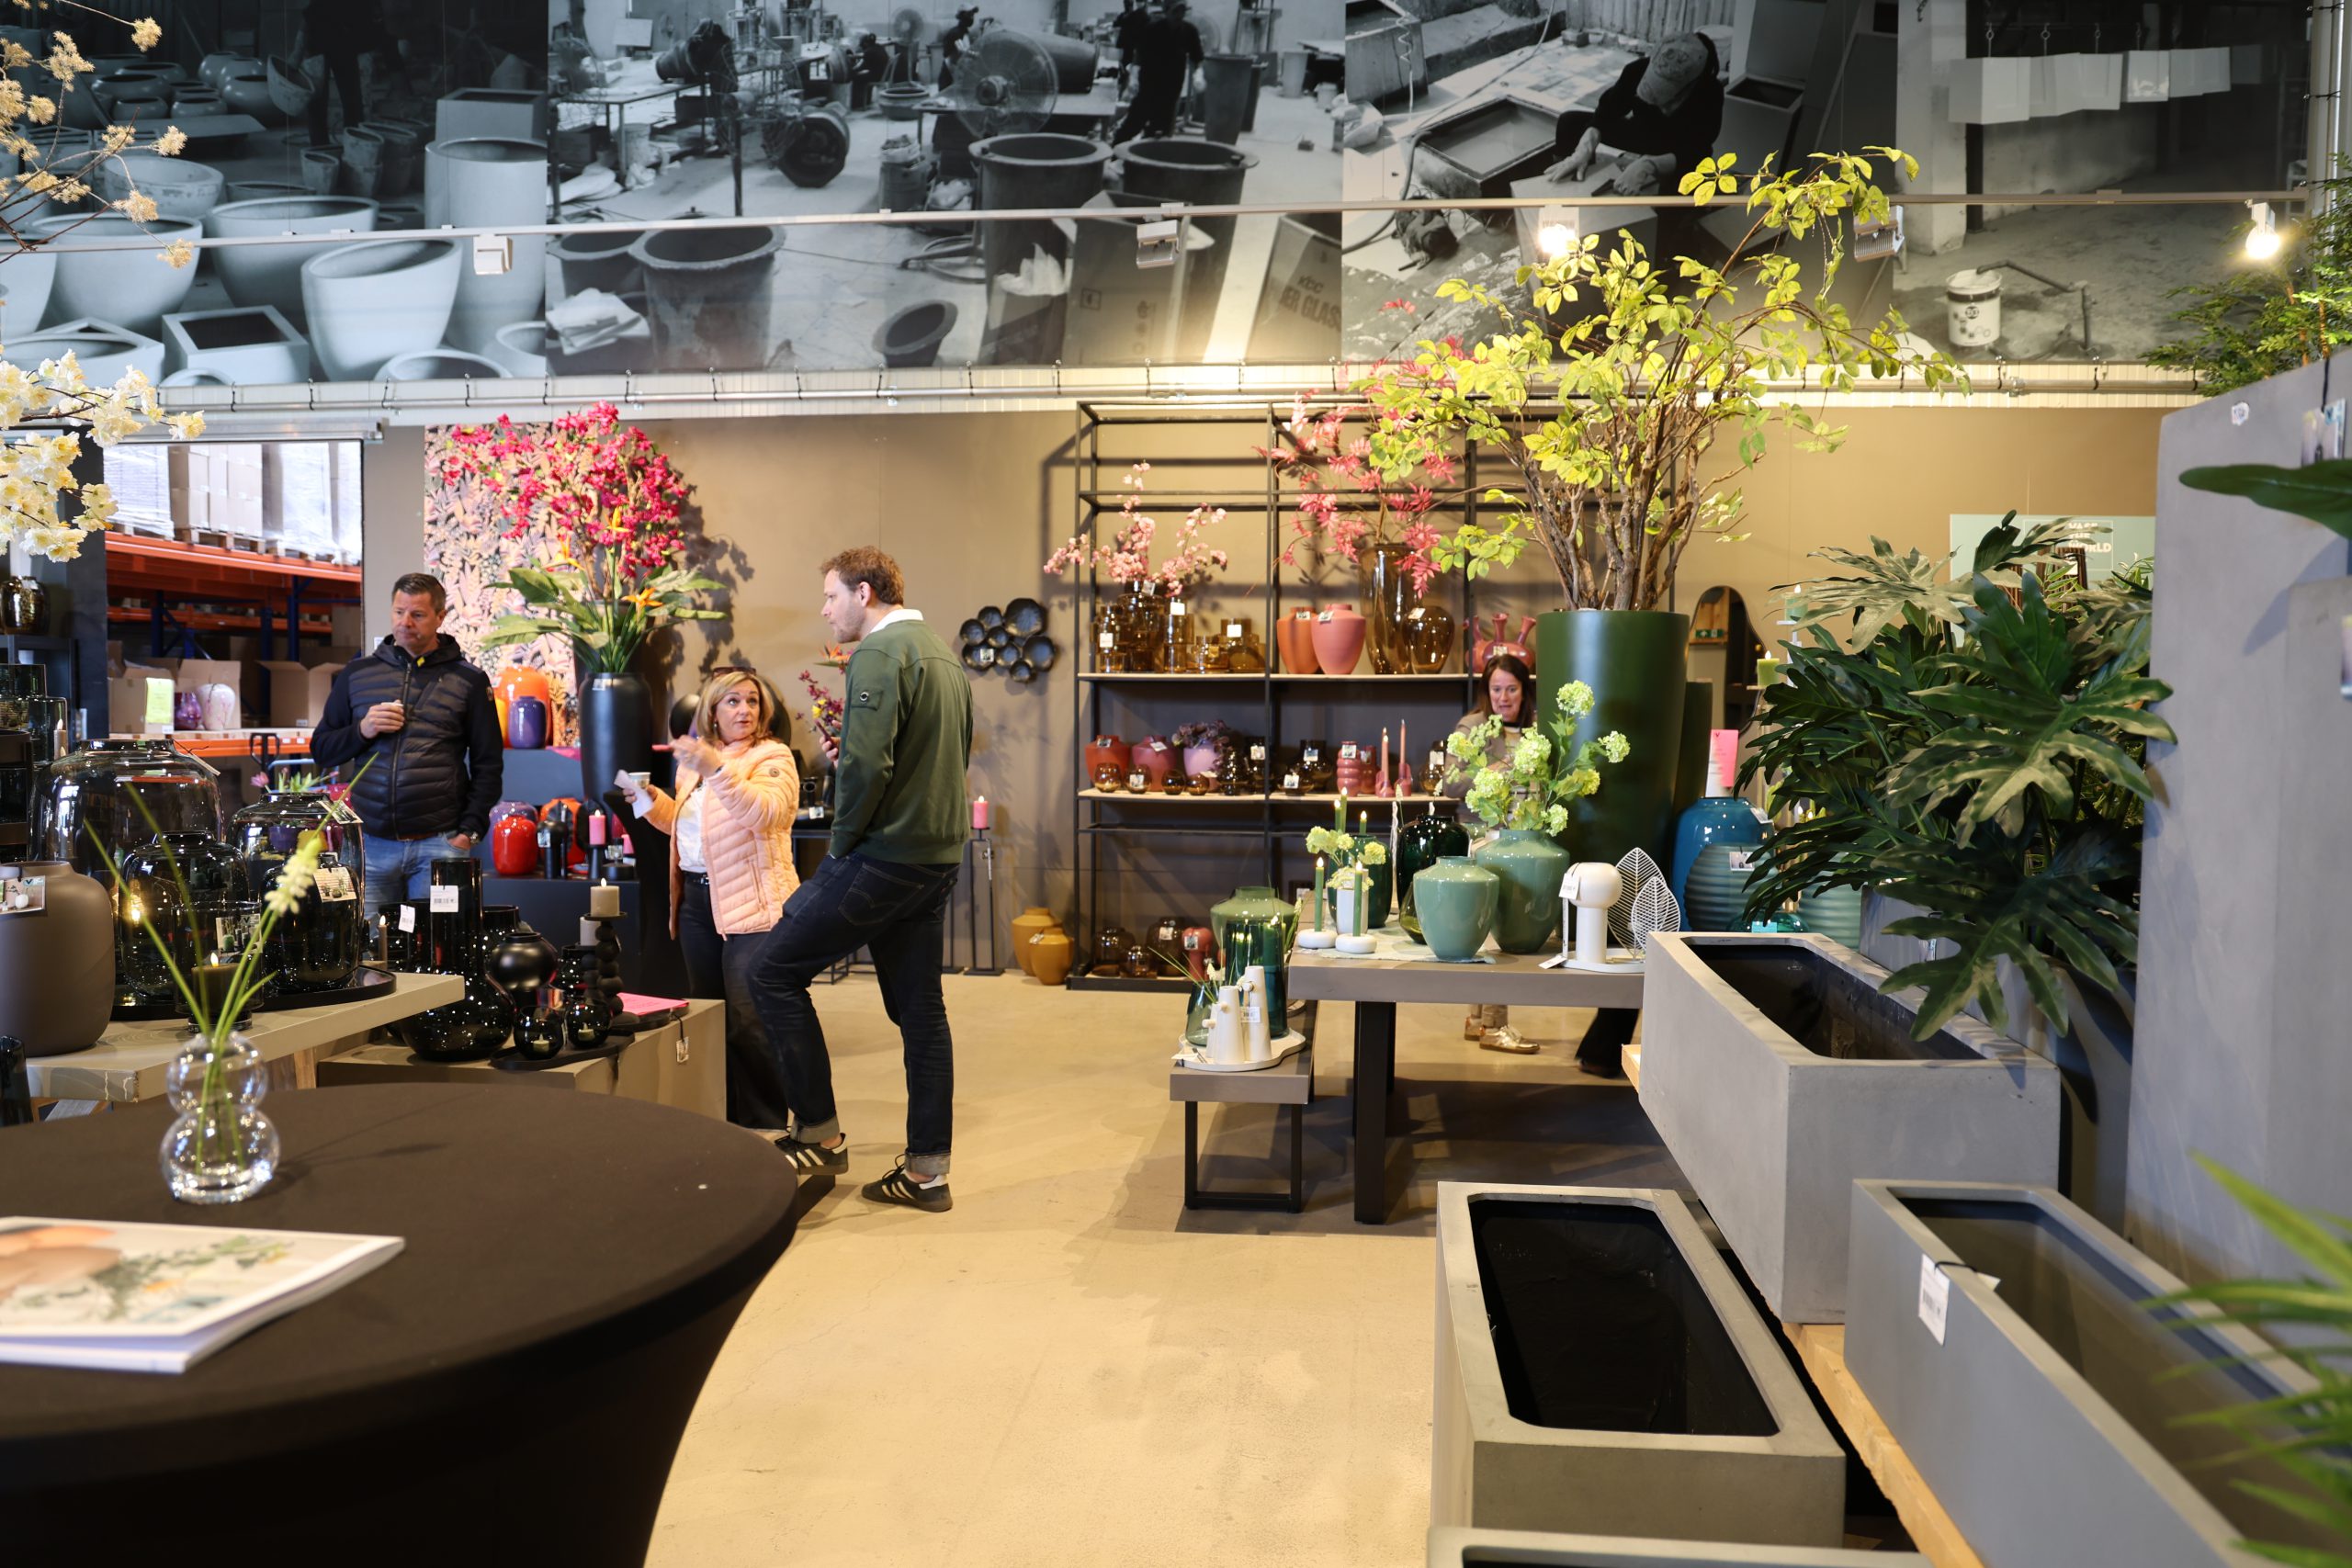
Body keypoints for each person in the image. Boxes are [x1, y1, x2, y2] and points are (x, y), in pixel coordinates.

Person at [752, 547, 973, 1213]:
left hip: (883, 856)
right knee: (921, 1011)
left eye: (831, 596)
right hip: (936, 857)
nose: (825, 610)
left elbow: (868, 766)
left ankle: (817, 1134)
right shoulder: (942, 655)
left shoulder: (880, 653)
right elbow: (947, 754)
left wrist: (840, 845)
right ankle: (927, 1173)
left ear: (864, 593)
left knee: (770, 971)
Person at [620, 671, 801, 1139]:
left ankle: (765, 1126)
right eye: (733, 702)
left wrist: (717, 770)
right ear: (713, 712)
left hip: (753, 904)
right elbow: (690, 827)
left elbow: (765, 814)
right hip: (698, 903)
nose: (745, 710)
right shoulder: (696, 763)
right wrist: (650, 801)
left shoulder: (772, 756)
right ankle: (725, 1119)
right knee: (710, 1014)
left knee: (749, 1020)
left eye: (753, 701)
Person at [311, 572, 503, 922]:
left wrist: (467, 833)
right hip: (372, 847)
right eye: (399, 612)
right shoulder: (357, 674)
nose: (405, 623)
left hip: (439, 846)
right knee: (371, 946)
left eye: (417, 615)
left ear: (440, 617)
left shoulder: (469, 681)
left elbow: (488, 764)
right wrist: (364, 729)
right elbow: (322, 750)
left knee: (438, 945)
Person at [1442, 654, 1534, 1055]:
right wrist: (1493, 771)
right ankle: (1495, 1025)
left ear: (1524, 690)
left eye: (1511, 688)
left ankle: (1478, 1018)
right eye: (1496, 689)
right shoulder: (1473, 726)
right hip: (1484, 837)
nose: (1503, 697)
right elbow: (1450, 783)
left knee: (1494, 926)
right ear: (1486, 691)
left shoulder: (1535, 727)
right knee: (1500, 930)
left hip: (1522, 834)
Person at [1544, 31, 1723, 198]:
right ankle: (1574, 175)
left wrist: (1650, 165)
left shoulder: (1709, 92)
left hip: (1678, 148)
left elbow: (1698, 148)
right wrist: (1585, 146)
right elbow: (1606, 112)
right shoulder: (1637, 70)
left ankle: (1669, 216)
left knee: (1683, 183)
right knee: (1570, 121)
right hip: (1643, 133)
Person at [296, 0, 388, 146]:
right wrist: (298, 51)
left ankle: (354, 144)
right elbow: (309, 16)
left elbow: (375, 24)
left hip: (344, 42)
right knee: (318, 99)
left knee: (352, 100)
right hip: (318, 42)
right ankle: (319, 147)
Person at [1114, 0, 1202, 144]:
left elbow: (1197, 57)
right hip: (1149, 86)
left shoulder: (1190, 32)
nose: (1179, 15)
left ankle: (1148, 155)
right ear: (1166, 11)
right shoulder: (1152, 29)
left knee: (1160, 132)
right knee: (1132, 125)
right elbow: (1139, 55)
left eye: (1182, 11)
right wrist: (1134, 76)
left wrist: (1199, 74)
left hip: (1171, 89)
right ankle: (1115, 151)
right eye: (1175, 11)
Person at [1112, 0, 1148, 96]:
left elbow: (1119, 26)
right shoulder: (1140, 15)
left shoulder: (1130, 16)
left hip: (1130, 46)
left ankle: (1123, 90)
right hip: (1133, 46)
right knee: (1129, 69)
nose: (1128, 6)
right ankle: (1125, 90)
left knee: (1126, 68)